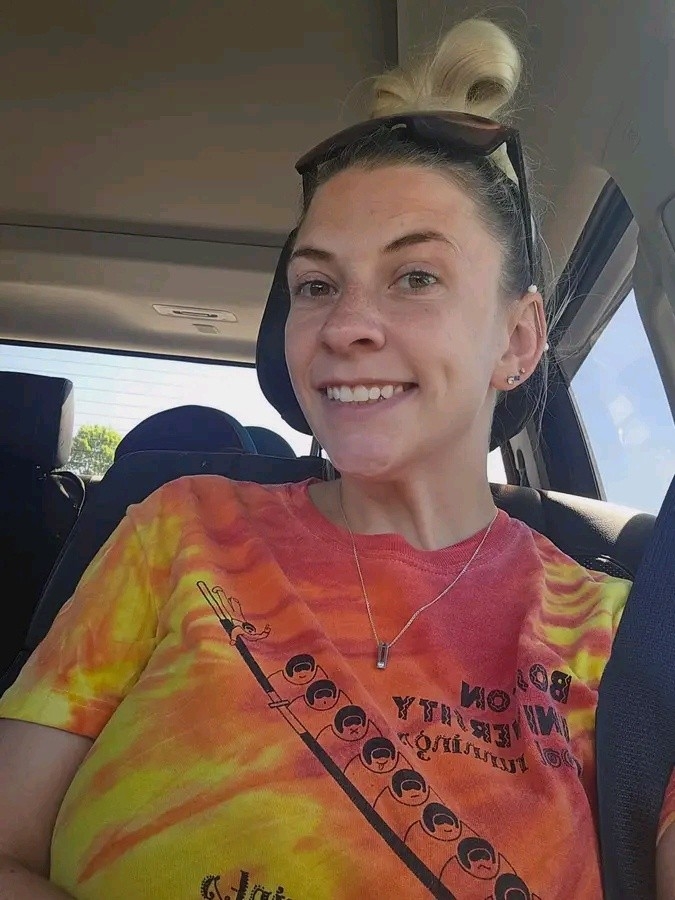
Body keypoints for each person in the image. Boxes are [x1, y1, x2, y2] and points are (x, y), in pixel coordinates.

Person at [0, 17, 673, 900]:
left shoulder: (619, 634)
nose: (345, 325)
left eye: (415, 277)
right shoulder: (179, 526)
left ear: (517, 338)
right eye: (316, 286)